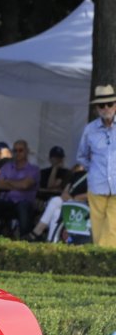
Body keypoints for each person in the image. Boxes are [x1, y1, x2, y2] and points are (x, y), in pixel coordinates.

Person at [75, 83, 116, 246]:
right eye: (102, 105)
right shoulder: (90, 129)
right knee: (98, 231)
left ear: (115, 105)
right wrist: (93, 170)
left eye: (109, 104)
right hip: (97, 186)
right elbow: (81, 156)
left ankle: (104, 259)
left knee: (112, 229)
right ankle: (102, 260)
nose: (106, 108)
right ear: (97, 108)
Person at [0, 139, 40, 238]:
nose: (18, 153)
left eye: (21, 150)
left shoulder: (34, 169)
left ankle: (25, 239)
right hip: (6, 202)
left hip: (24, 203)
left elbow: (25, 185)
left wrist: (7, 181)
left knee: (23, 206)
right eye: (15, 150)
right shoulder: (7, 167)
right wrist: (18, 184)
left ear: (27, 151)